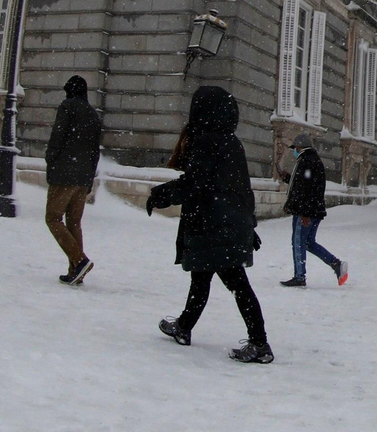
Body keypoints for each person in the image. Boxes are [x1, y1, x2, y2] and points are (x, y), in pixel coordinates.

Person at [146, 86, 272, 363]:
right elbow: (243, 189)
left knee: (236, 284)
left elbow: (194, 183)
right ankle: (184, 327)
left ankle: (260, 344)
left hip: (214, 225)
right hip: (224, 224)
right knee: (202, 279)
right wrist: (248, 225)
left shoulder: (207, 141)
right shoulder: (231, 141)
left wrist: (160, 195)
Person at [44, 75, 102, 285]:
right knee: (74, 221)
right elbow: (96, 150)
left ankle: (79, 261)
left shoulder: (67, 107)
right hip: (84, 176)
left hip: (65, 174)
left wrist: (50, 159)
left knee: (53, 218)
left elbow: (57, 137)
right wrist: (89, 177)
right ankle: (76, 271)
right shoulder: (93, 115)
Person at [279, 133, 347, 288]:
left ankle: (299, 276)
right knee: (308, 243)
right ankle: (336, 264)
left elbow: (306, 189)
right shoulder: (312, 160)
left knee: (298, 242)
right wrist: (288, 179)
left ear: (301, 147)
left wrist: (303, 212)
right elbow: (303, 184)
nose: (294, 150)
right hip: (314, 210)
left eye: (295, 148)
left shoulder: (306, 161)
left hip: (307, 211)